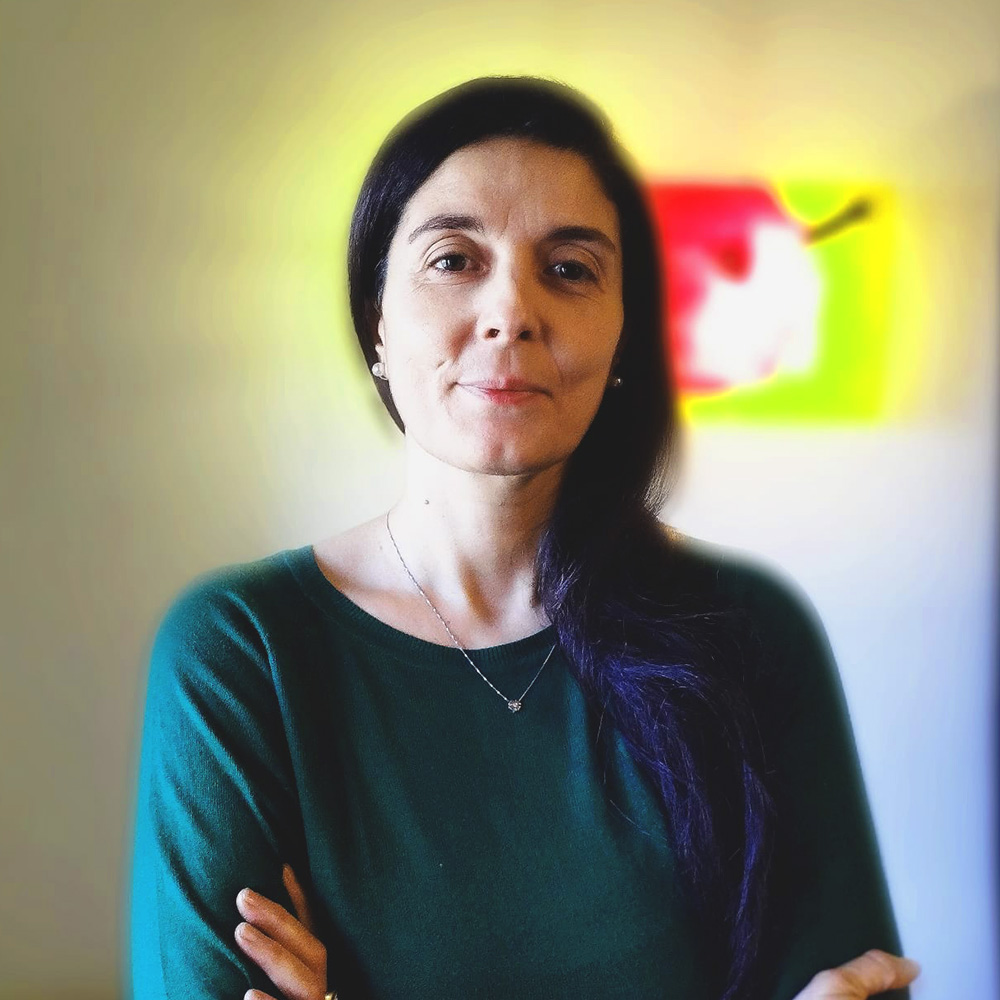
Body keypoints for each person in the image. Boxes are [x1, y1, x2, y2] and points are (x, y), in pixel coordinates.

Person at [128, 77, 920, 1000]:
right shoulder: (241, 651)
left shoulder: (752, 629)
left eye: (571, 269)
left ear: (622, 338)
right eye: (453, 259)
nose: (512, 313)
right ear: (377, 321)